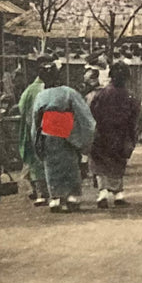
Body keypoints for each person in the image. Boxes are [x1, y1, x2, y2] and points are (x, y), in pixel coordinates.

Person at [31, 67, 96, 213]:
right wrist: (85, 136)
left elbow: (36, 119)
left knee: (51, 165)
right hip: (68, 132)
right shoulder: (68, 92)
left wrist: (36, 139)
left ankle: (55, 198)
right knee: (70, 164)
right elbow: (83, 113)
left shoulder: (41, 96)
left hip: (47, 133)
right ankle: (71, 197)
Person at [89, 62, 141, 208]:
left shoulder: (100, 94)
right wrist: (132, 137)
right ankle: (118, 194)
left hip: (102, 133)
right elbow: (134, 118)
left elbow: (93, 113)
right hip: (121, 135)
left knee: (100, 163)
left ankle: (102, 193)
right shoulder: (131, 96)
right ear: (127, 78)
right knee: (118, 162)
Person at [16, 55, 51, 206]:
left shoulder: (30, 90)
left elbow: (21, 107)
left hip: (35, 129)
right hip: (53, 129)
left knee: (36, 162)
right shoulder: (55, 88)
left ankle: (40, 193)